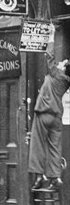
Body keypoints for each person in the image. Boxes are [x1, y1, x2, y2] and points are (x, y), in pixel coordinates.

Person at [29, 30, 70, 191]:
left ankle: (39, 175)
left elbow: (50, 55)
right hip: (57, 116)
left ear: (63, 69)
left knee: (37, 144)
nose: (60, 62)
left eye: (63, 63)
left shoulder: (55, 73)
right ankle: (55, 177)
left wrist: (51, 37)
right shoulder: (66, 81)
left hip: (44, 113)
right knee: (54, 146)